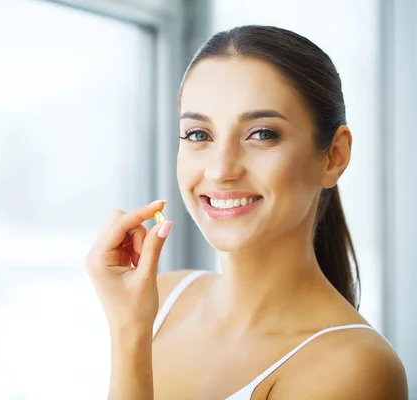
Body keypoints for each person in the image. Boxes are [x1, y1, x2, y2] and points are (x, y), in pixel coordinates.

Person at [84, 25, 408, 399]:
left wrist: (130, 333)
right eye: (198, 135)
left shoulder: (354, 368)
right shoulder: (162, 300)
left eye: (262, 134)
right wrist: (130, 327)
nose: (221, 170)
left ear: (334, 156)